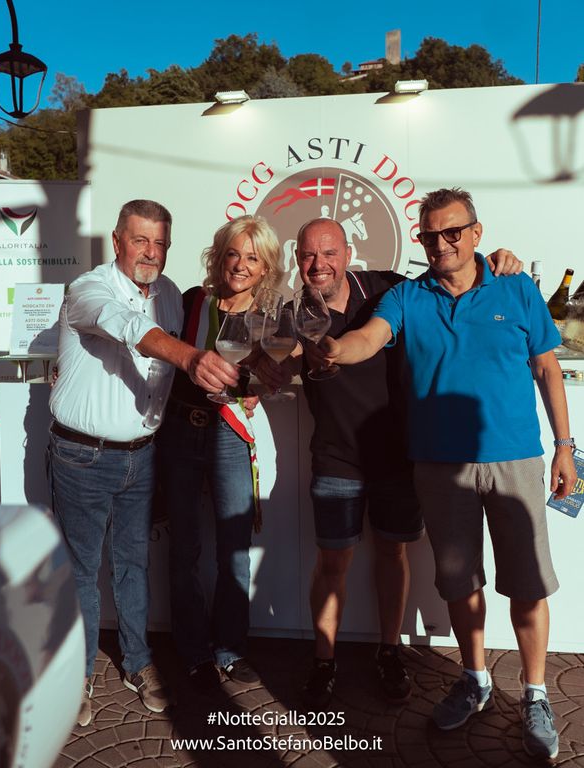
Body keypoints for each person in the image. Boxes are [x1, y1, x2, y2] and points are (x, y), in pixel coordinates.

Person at [321, 188, 576, 760]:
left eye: (452, 232)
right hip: (438, 465)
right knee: (461, 583)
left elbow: (547, 368)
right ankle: (475, 678)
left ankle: (535, 694)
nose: (440, 244)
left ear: (476, 233)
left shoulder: (516, 287)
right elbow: (370, 337)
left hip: (515, 460)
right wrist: (336, 349)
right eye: (429, 235)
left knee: (528, 584)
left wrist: (566, 448)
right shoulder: (408, 296)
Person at [256, 216, 522, 709]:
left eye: (329, 253)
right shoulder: (291, 313)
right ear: (297, 259)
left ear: (348, 254)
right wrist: (269, 369)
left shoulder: (387, 289)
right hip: (335, 457)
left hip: (398, 456)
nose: (319, 264)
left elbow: (452, 275)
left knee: (392, 554)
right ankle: (324, 660)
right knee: (332, 561)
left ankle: (389, 651)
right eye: (309, 255)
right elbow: (279, 361)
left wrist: (497, 260)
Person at [48, 199, 239, 727]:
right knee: (81, 569)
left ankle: (138, 661)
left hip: (143, 455)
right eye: (140, 241)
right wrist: (189, 356)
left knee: (134, 564)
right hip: (82, 455)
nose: (150, 253)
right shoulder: (89, 289)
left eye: (160, 243)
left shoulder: (173, 295)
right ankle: (78, 673)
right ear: (117, 242)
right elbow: (127, 325)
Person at [156, 215, 283, 692]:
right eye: (234, 253)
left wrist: (262, 388)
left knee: (233, 548)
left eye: (253, 257)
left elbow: (274, 374)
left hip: (230, 435)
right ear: (219, 257)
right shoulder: (193, 301)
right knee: (184, 548)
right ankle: (192, 650)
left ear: (265, 266)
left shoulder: (270, 318)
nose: (241, 265)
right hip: (180, 431)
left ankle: (230, 648)